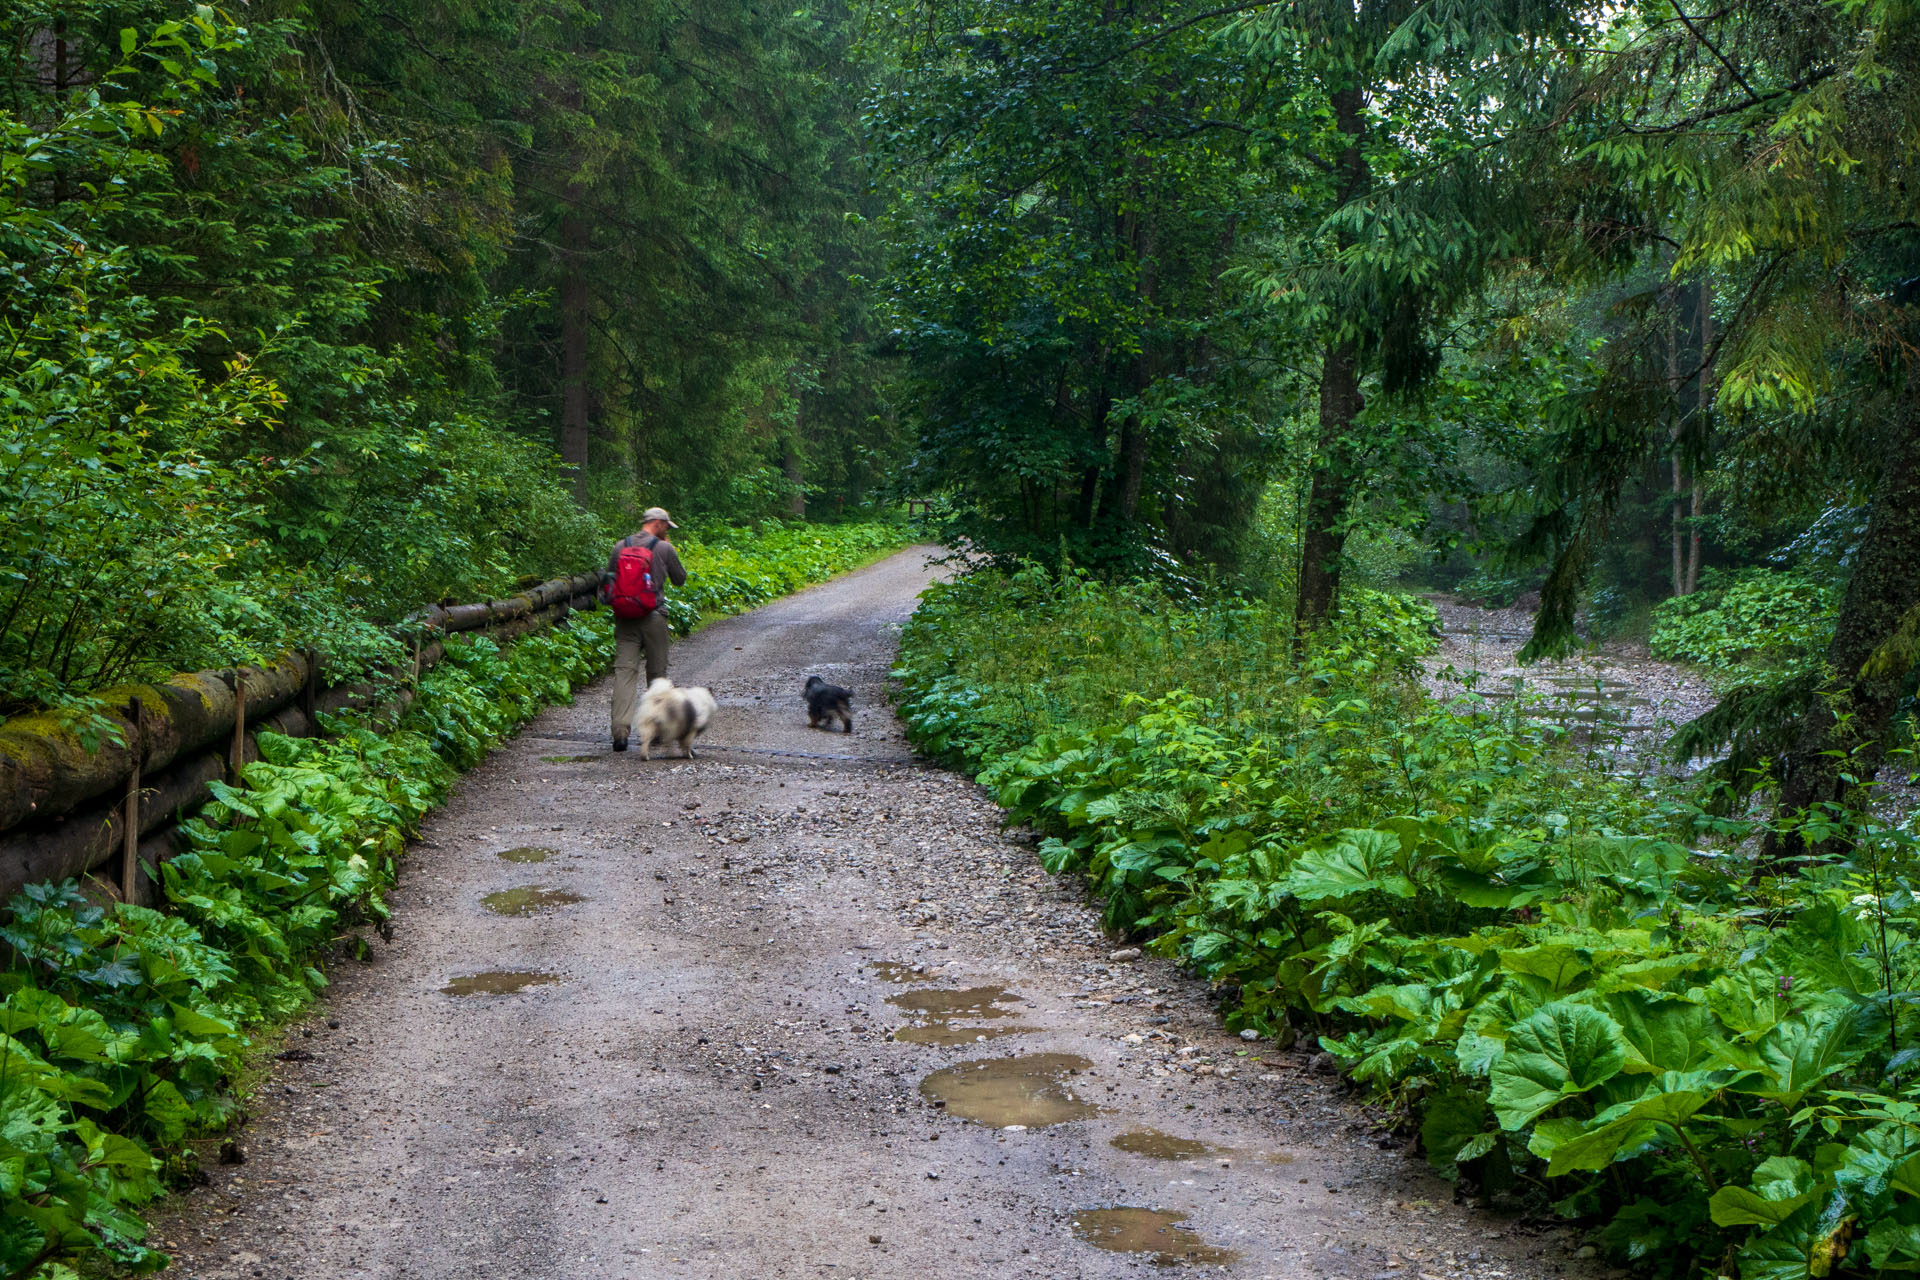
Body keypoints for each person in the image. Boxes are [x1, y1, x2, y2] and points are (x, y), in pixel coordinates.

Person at [606, 507, 687, 751]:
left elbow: (609, 579)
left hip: (624, 618)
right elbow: (679, 579)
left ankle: (620, 732)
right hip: (654, 617)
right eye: (666, 526)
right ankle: (658, 731)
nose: (666, 530)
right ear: (659, 524)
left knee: (624, 673)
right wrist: (667, 549)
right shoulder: (664, 547)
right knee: (657, 674)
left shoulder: (620, 546)